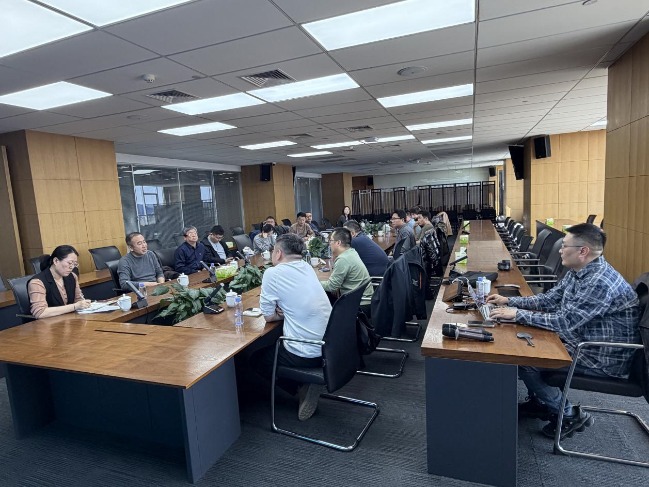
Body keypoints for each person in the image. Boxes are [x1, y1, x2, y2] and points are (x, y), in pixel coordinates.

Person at [487, 223, 641, 439]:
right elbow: (550, 300)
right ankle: (541, 402)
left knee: (526, 360)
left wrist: (516, 314)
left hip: (600, 356)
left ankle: (568, 413)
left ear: (583, 251)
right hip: (580, 339)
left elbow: (565, 322)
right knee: (524, 339)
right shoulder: (580, 271)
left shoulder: (600, 282)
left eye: (565, 246)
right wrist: (509, 301)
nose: (560, 250)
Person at [252, 234, 332, 421]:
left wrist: (282, 313)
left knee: (256, 359)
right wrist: (289, 310)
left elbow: (268, 317)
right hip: (329, 347)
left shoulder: (273, 273)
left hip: (305, 353)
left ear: (278, 253)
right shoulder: (307, 267)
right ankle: (306, 384)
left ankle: (301, 387)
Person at [28, 245, 91, 319]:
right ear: (56, 261)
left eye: (74, 264)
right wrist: (74, 306)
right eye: (69, 263)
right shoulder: (37, 282)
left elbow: (78, 300)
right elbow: (40, 313)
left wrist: (83, 304)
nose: (72, 267)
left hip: (69, 320)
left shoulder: (72, 277)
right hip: (48, 323)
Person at [321, 227, 374, 316]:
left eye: (331, 241)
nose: (329, 244)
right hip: (364, 299)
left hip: (358, 305)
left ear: (338, 243)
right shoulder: (351, 252)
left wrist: (314, 282)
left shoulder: (343, 259)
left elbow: (331, 286)